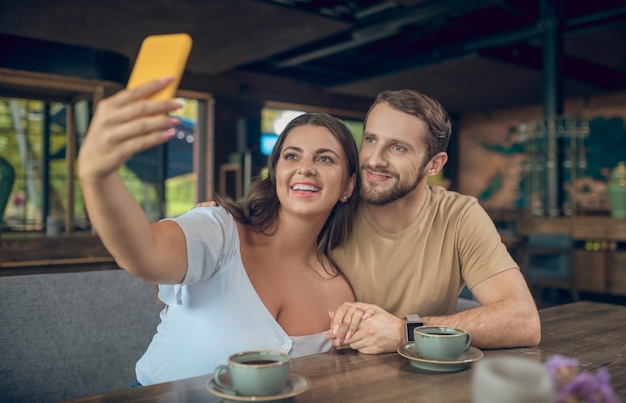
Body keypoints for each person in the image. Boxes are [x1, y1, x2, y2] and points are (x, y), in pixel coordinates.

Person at [77, 77, 359, 385]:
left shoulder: (341, 291)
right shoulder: (219, 229)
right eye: (292, 156)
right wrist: (97, 176)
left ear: (348, 185)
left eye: (325, 158)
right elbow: (144, 254)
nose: (305, 167)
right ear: (276, 172)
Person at [325, 89, 541, 354]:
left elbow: (524, 321)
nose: (375, 159)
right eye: (370, 139)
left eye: (398, 147)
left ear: (434, 165)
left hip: (427, 379)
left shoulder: (459, 215)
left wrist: (404, 331)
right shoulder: (333, 202)